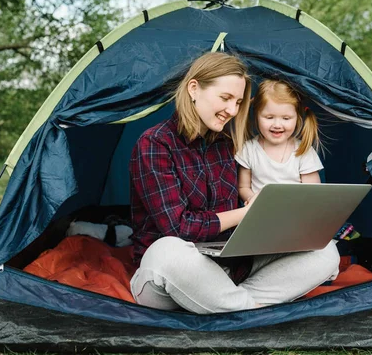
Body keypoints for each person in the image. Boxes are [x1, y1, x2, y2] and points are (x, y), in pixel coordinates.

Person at [128, 53, 339, 314]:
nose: (232, 110)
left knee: (325, 251)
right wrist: (246, 212)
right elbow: (178, 227)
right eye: (225, 98)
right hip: (173, 273)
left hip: (227, 264)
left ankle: (230, 306)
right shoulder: (155, 144)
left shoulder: (226, 145)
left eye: (238, 102)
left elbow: (241, 211)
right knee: (168, 251)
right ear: (194, 89)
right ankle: (250, 310)